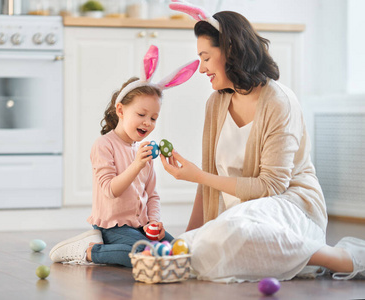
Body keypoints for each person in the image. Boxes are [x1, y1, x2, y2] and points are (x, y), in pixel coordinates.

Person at [160, 1, 365, 282]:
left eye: (206, 58)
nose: (201, 69)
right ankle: (287, 257)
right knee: (208, 241)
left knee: (235, 231)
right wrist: (185, 241)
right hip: (239, 218)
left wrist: (200, 176)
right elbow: (207, 183)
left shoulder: (279, 102)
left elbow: (271, 187)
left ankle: (336, 257)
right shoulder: (215, 104)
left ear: (230, 51)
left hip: (290, 208)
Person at [49, 45, 199, 267]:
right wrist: (137, 164)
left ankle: (144, 243)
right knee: (145, 255)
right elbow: (111, 190)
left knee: (180, 252)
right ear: (120, 110)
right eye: (141, 114)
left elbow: (152, 195)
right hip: (112, 228)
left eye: (154, 118)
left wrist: (154, 222)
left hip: (141, 226)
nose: (148, 122)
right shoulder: (104, 145)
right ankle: (89, 251)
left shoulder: (145, 151)